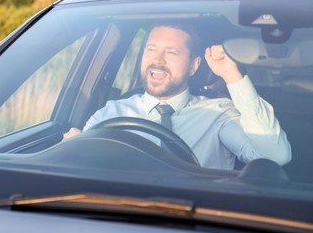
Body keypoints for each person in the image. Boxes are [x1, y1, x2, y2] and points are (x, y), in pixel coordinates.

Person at [64, 24, 291, 170]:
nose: (157, 60)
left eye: (171, 52)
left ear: (194, 66)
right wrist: (72, 149)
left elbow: (274, 156)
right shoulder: (111, 113)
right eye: (151, 49)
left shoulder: (218, 113)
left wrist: (232, 76)